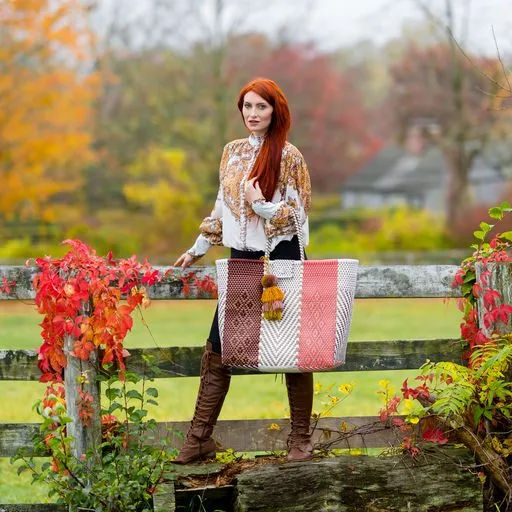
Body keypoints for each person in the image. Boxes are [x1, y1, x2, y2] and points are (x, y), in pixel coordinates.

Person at [173, 77, 313, 464]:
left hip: (281, 257)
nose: (252, 114)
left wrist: (261, 206)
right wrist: (198, 247)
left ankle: (300, 440)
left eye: (261, 107)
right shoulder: (231, 152)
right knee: (220, 345)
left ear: (276, 111)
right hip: (242, 256)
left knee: (292, 348)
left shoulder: (289, 156)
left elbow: (298, 216)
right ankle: (199, 438)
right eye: (247, 107)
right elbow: (222, 206)